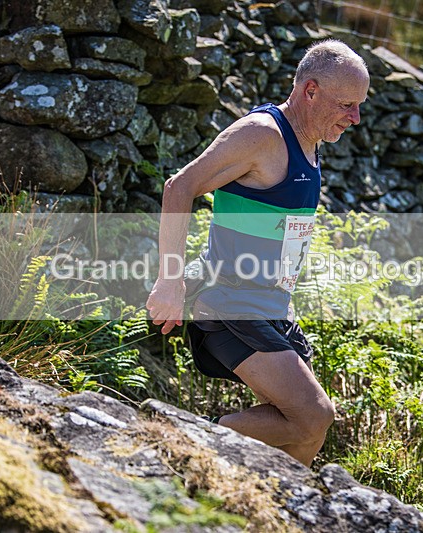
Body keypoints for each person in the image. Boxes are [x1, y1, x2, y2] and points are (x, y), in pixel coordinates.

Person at [145, 39, 370, 467]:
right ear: (310, 91)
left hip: (269, 308)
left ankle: (265, 507)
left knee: (303, 435)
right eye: (346, 105)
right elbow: (179, 187)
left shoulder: (309, 139)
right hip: (230, 305)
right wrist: (171, 280)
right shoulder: (263, 135)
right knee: (313, 415)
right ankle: (191, 436)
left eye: (359, 106)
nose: (354, 118)